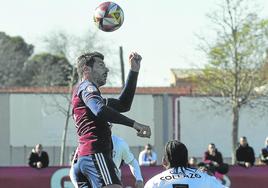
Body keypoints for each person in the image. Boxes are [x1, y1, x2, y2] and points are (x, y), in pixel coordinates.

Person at [71, 51, 151, 188]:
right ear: (86, 70)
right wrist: (134, 124)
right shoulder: (87, 87)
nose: (106, 69)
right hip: (95, 155)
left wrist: (133, 71)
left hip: (85, 158)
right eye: (101, 65)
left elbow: (123, 104)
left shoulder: (90, 96)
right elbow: (100, 110)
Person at [70, 135, 144, 188]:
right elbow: (73, 170)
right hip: (90, 178)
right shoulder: (87, 144)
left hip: (113, 175)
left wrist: (139, 179)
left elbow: (132, 161)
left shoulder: (120, 144)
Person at [144, 140, 227, 188]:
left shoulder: (154, 182)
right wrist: (211, 177)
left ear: (164, 161)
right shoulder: (205, 177)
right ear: (187, 160)